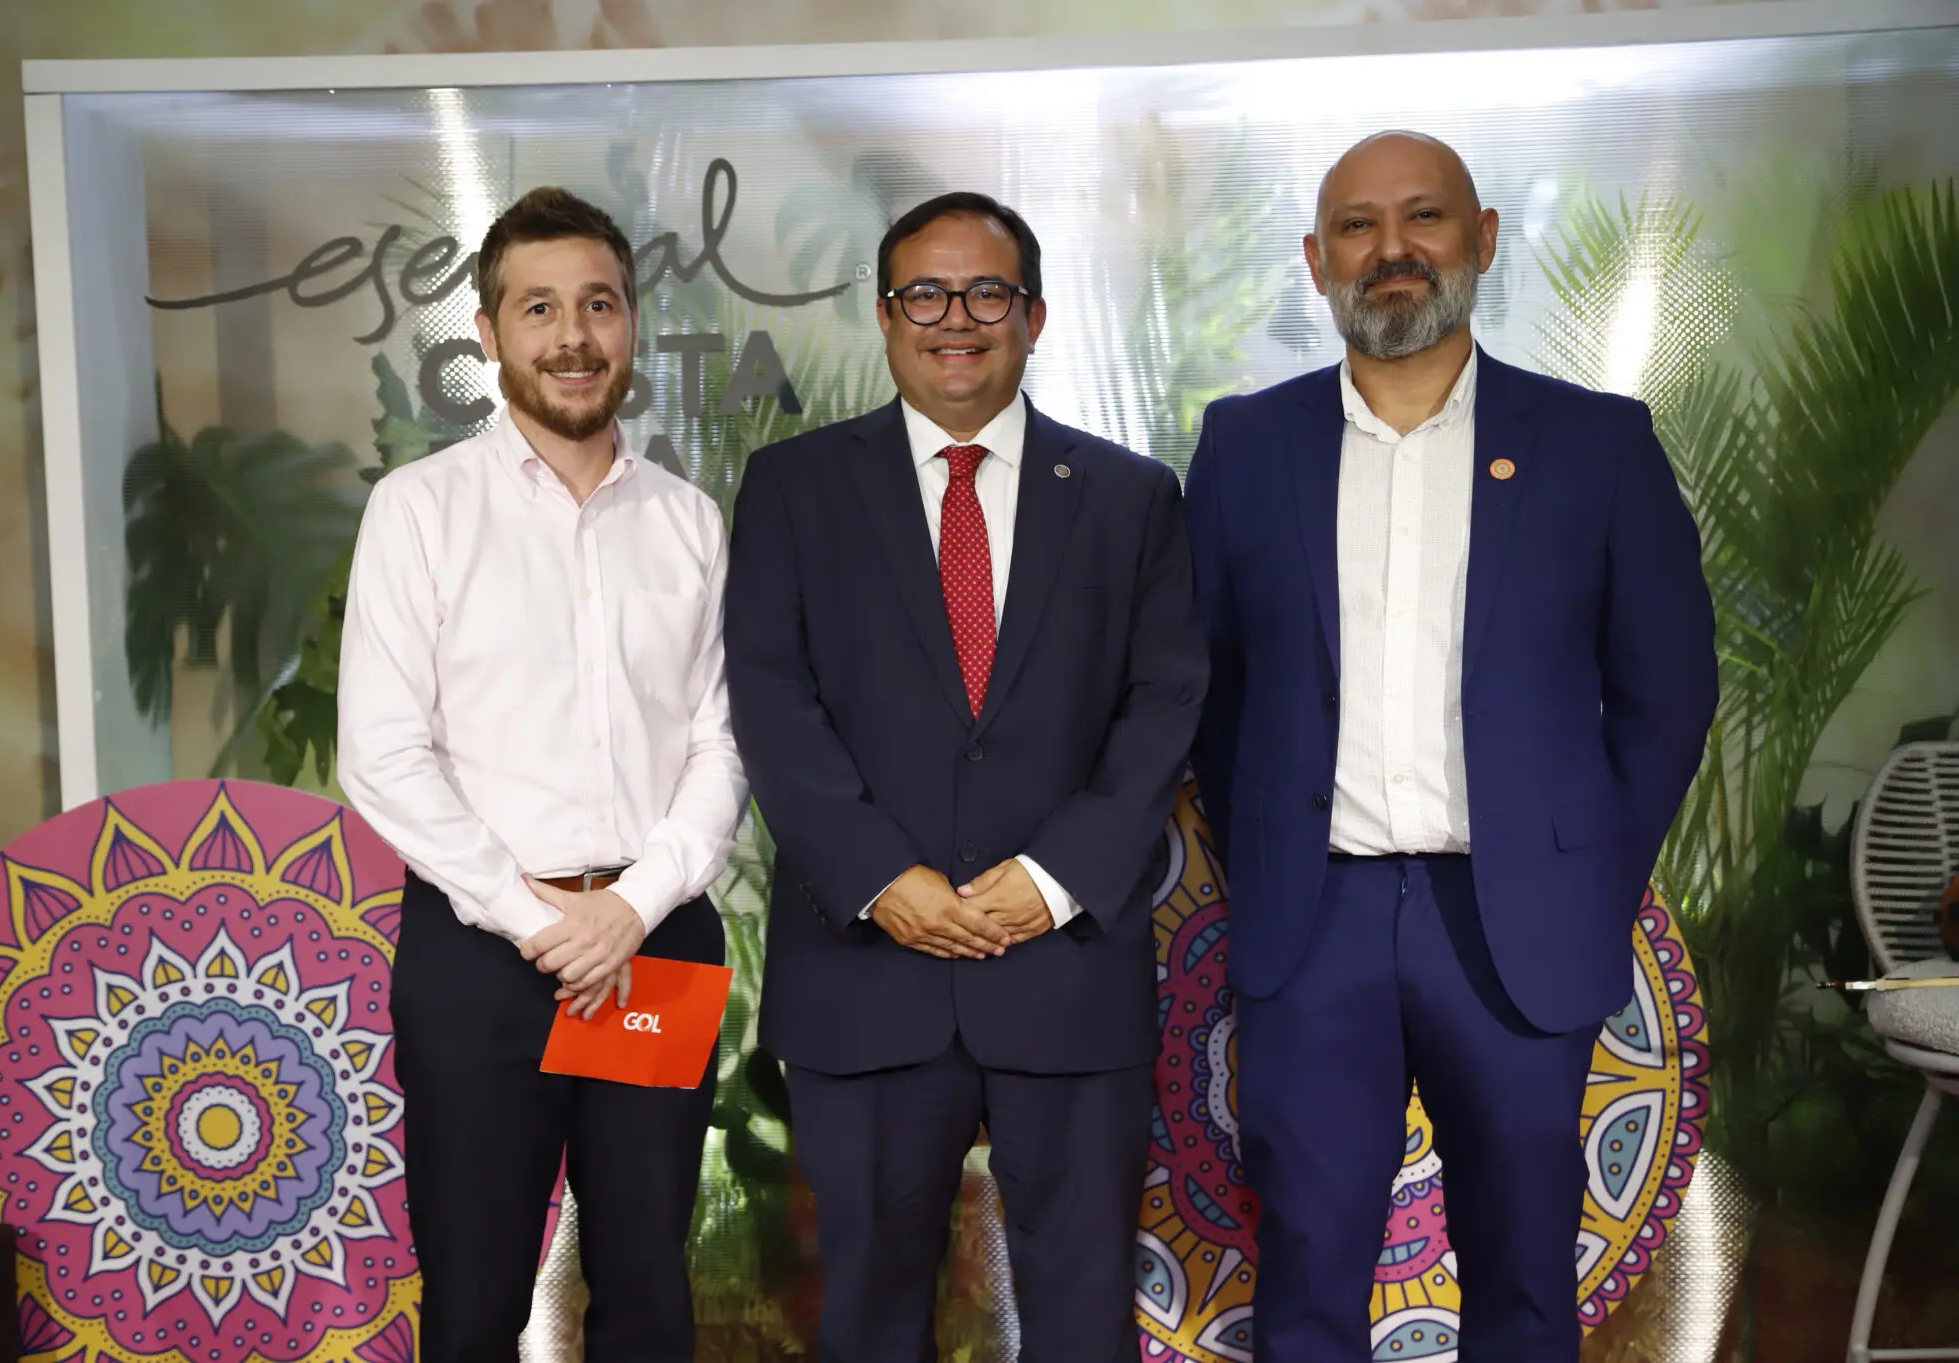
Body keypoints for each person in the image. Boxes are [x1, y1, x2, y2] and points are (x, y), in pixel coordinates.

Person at [1184, 132, 1717, 1362]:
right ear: (1316, 261)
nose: (1390, 250)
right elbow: (1209, 690)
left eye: (1420, 218)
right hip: (1312, 922)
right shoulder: (1244, 449)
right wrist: (1268, 848)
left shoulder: (1596, 445)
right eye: (1357, 227)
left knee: (1525, 1271)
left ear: (1479, 237)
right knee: (1308, 1267)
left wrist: (1580, 870)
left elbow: (1666, 692)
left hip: (1514, 921)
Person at [724, 191, 1208, 1363]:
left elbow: (1162, 708)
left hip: (1065, 968)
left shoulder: (1129, 498)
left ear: (1032, 316)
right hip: (867, 970)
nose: (956, 319)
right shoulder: (794, 490)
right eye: (923, 295)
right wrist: (881, 875)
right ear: (884, 320)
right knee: (872, 1313)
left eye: (986, 292)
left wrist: (1051, 880)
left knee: (1083, 1315)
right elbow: (771, 702)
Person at [336, 186, 746, 1363]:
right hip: (481, 959)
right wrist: (537, 919)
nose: (573, 335)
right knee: (472, 1302)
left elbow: (722, 741)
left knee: (644, 1295)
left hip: (650, 944)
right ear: (491, 327)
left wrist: (626, 907)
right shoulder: (419, 510)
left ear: (631, 324)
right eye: (539, 307)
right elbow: (383, 752)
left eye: (598, 305)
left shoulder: (686, 522)